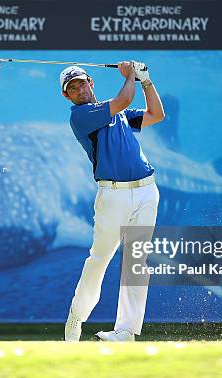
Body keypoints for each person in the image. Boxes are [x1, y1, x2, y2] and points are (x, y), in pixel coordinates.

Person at [61, 61, 165, 342]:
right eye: (72, 88)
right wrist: (130, 73)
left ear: (91, 83)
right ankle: (76, 317)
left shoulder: (117, 113)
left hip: (146, 191)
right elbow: (123, 99)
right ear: (67, 96)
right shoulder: (81, 117)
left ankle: (126, 332)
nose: (79, 89)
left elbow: (156, 114)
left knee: (136, 262)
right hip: (112, 195)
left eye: (82, 83)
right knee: (100, 259)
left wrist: (146, 80)